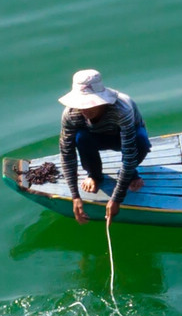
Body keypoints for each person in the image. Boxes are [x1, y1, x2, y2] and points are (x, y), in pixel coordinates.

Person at [56, 69, 151, 216]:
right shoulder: (71, 114)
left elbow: (129, 153)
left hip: (123, 137)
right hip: (93, 137)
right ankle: (94, 175)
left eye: (89, 104)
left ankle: (130, 173)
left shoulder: (122, 109)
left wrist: (116, 199)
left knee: (141, 140)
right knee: (80, 137)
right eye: (81, 105)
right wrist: (75, 196)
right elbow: (67, 154)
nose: (84, 110)